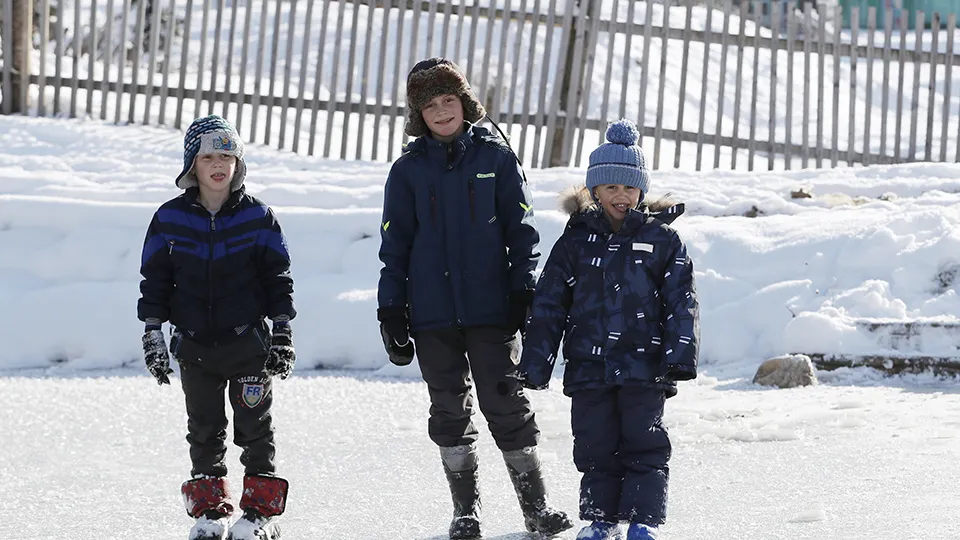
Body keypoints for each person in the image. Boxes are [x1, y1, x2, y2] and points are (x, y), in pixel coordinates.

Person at [376, 57, 572, 539]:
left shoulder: (497, 158)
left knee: (505, 400)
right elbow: (394, 245)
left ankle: (536, 507)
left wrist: (523, 288)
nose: (442, 112)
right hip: (431, 314)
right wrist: (391, 309)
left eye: (449, 100)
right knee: (448, 407)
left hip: (492, 309)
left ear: (465, 103)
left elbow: (522, 232)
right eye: (430, 105)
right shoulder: (407, 171)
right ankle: (466, 511)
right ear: (416, 115)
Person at [513, 120, 700, 540]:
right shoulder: (575, 241)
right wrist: (536, 362)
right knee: (595, 446)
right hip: (589, 368)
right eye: (611, 187)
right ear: (595, 191)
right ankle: (599, 519)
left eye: (629, 188)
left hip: (644, 366)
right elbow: (549, 304)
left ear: (641, 190)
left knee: (644, 444)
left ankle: (642, 522)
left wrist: (679, 356)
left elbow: (681, 301)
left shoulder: (663, 240)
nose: (621, 196)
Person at [138, 115, 297, 540]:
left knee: (255, 430)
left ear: (238, 162)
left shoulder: (258, 217)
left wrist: (282, 330)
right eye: (209, 155)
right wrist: (152, 331)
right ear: (193, 163)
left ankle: (261, 514)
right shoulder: (169, 219)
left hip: (248, 344)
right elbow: (155, 282)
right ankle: (209, 513)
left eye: (227, 155)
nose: (218, 164)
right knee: (204, 431)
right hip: (194, 348)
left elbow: (278, 279)